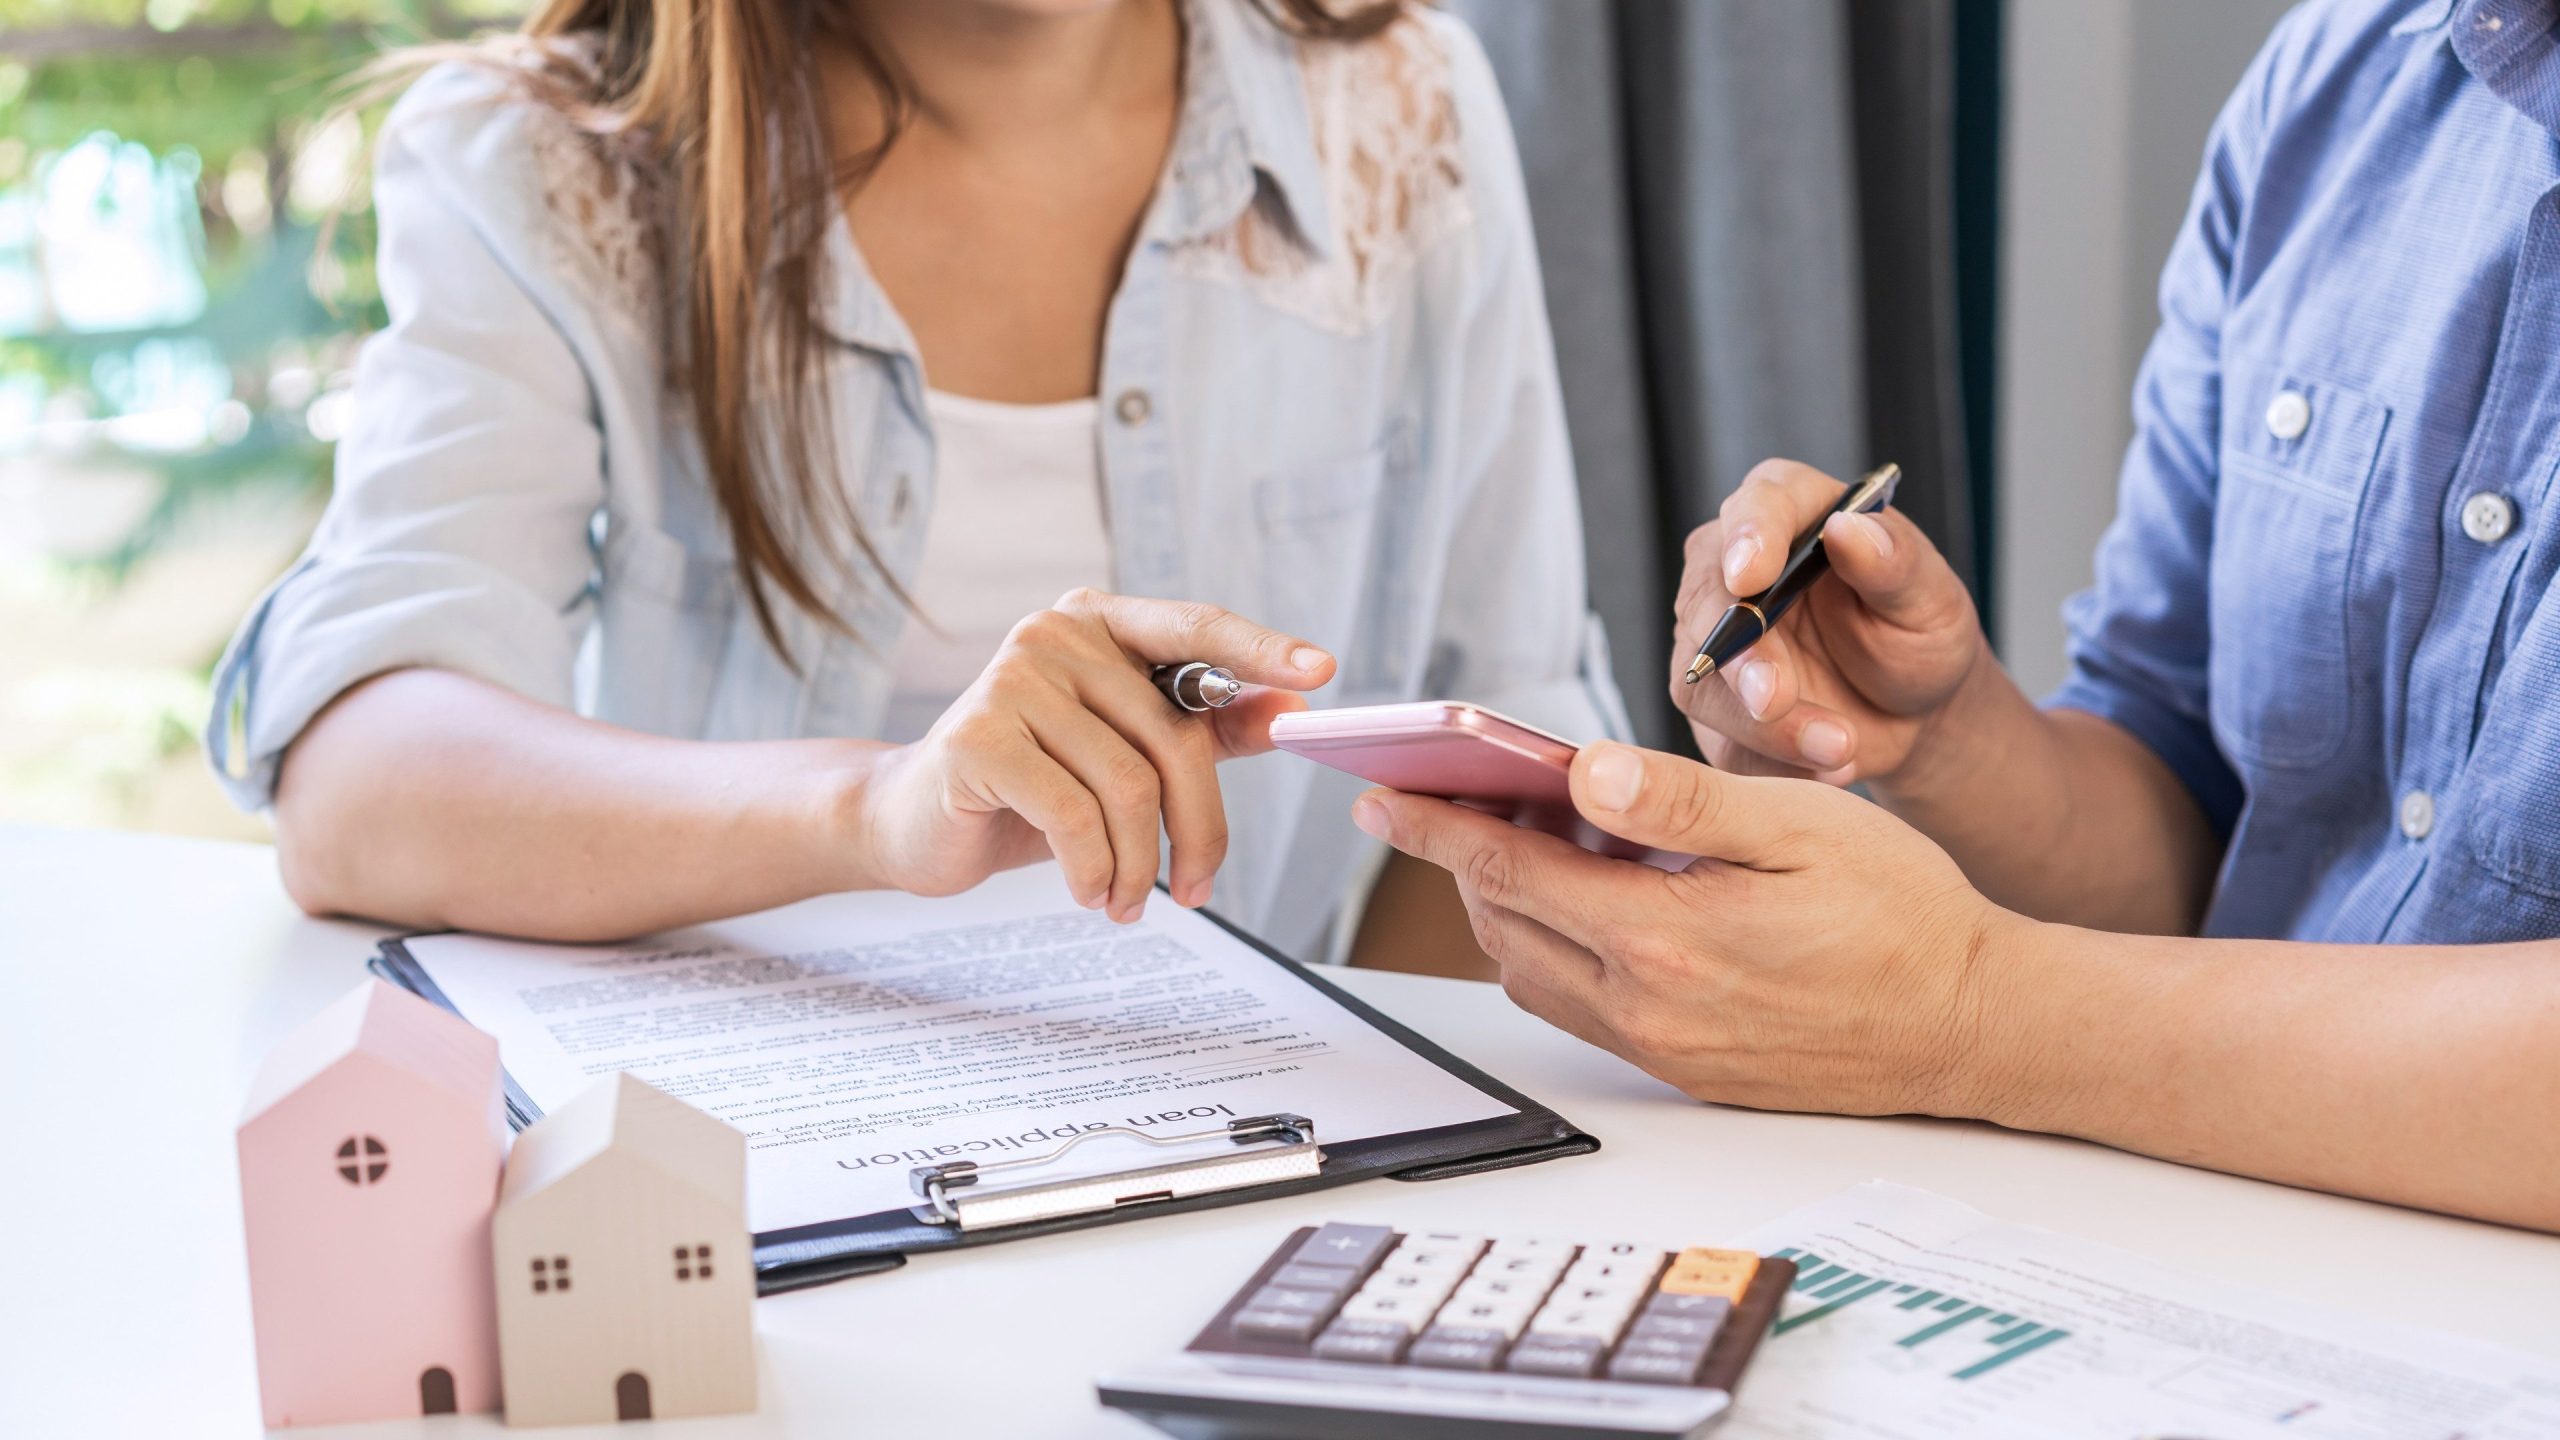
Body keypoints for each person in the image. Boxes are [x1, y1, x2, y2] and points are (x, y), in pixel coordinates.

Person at [1353, 0, 2560, 1234]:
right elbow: (2199, 816)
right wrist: (1942, 739)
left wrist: (1970, 1011)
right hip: (2203, 1240)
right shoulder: (2336, 83)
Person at [205, 0, 1622, 960]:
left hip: (1264, 1181)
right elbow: (357, 788)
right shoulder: (549, 165)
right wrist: (879, 808)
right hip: (734, 1163)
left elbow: (1510, 768)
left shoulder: (1399, 103)